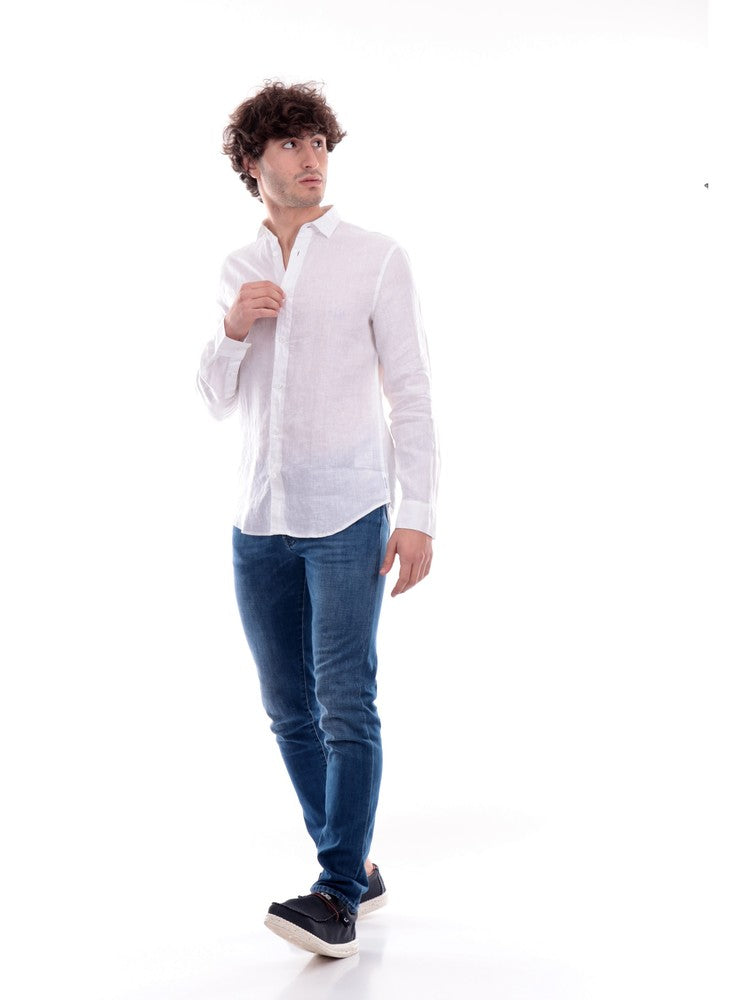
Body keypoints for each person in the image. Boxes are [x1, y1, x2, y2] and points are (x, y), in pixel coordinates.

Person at [196, 80, 439, 959]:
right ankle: (356, 865)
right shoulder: (238, 267)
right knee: (287, 707)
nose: (312, 159)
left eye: (320, 144)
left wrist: (419, 513)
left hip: (348, 512)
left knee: (345, 701)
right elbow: (216, 399)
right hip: (258, 518)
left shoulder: (375, 256)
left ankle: (335, 893)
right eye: (292, 144)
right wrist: (232, 329)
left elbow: (410, 390)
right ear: (252, 162)